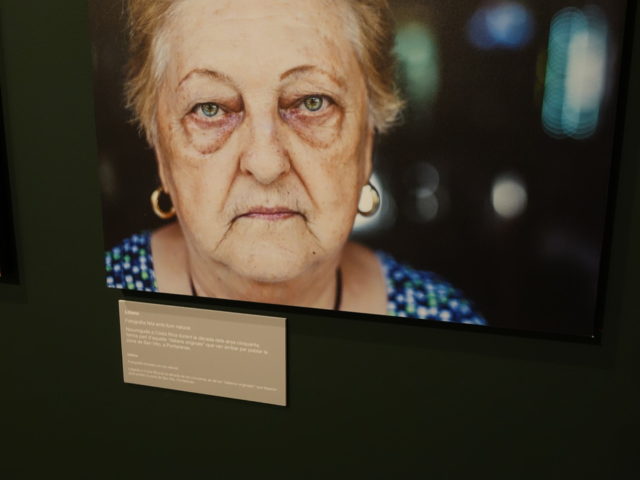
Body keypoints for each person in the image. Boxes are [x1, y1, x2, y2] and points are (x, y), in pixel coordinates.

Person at [105, 0, 486, 325]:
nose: (267, 164)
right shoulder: (94, 309)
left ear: (367, 141)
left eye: (311, 102)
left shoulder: (444, 321)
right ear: (160, 149)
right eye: (211, 108)